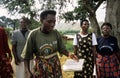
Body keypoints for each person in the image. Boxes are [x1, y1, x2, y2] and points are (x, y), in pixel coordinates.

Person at [21, 10, 78, 78]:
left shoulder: (55, 33)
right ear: (41, 20)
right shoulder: (33, 34)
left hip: (55, 67)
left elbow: (61, 49)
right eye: (49, 21)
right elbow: (26, 55)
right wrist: (27, 71)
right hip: (41, 68)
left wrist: (69, 54)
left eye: (54, 22)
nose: (52, 24)